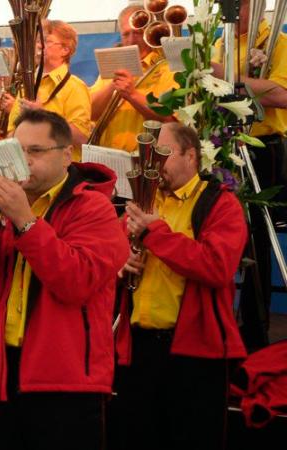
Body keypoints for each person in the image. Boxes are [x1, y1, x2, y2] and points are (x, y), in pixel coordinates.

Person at [0, 109, 129, 450]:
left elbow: (75, 282)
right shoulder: (4, 204)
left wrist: (25, 221)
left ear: (67, 155)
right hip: (0, 378)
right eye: (19, 151)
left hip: (66, 384)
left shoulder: (95, 208)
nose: (25, 161)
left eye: (35, 151)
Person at [115, 122, 248, 450]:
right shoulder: (144, 199)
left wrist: (154, 232)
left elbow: (217, 267)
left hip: (194, 353)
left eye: (161, 154)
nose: (152, 164)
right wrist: (120, 262)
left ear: (191, 156)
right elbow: (109, 255)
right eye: (147, 155)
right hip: (139, 347)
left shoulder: (220, 203)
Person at [212, 0, 287, 349]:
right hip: (224, 143)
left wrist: (228, 76)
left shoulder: (279, 41)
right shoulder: (219, 41)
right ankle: (222, 323)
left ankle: (256, 331)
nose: (228, 10)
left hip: (261, 146)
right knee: (222, 232)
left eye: (235, 5)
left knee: (257, 232)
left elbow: (284, 96)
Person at [89, 5, 177, 152]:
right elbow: (91, 112)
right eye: (125, 34)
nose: (131, 40)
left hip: (147, 161)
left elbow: (170, 120)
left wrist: (132, 95)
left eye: (137, 33)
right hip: (106, 156)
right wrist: (112, 85)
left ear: (151, 31)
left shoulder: (167, 68)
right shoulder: (113, 64)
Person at [7, 20, 92, 160]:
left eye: (46, 40)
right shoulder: (27, 85)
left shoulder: (75, 86)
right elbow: (10, 135)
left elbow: (82, 139)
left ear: (65, 50)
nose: (39, 45)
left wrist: (42, 115)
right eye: (37, 41)